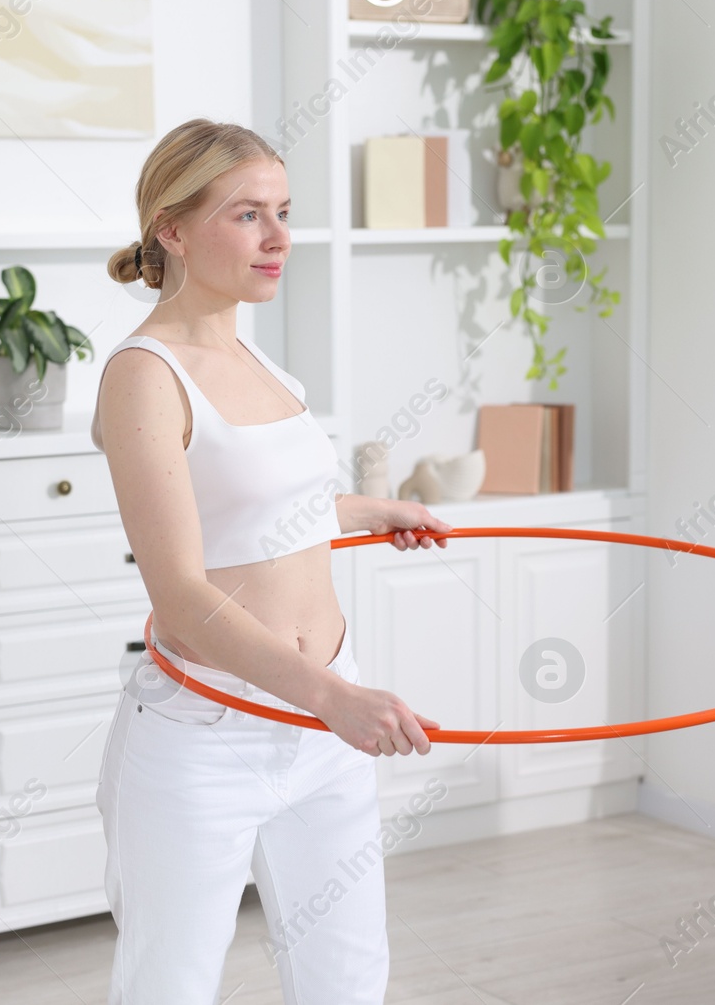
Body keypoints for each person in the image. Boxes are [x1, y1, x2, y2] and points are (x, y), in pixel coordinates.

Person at [92, 117, 452, 1004]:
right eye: (249, 214)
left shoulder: (256, 357)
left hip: (322, 723)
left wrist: (372, 511)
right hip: (207, 737)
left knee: (349, 977)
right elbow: (179, 591)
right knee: (167, 987)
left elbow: (259, 515)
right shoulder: (145, 374)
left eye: (284, 211)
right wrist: (332, 698)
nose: (281, 237)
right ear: (171, 228)